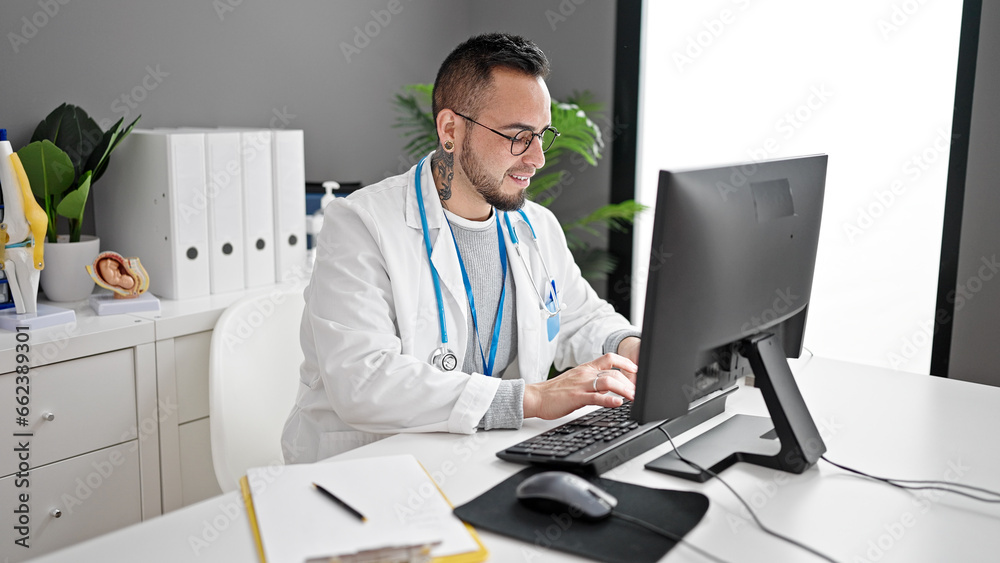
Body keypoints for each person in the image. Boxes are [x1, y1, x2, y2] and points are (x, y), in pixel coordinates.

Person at [282, 32, 641, 464]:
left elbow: (579, 318)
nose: (537, 159)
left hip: (479, 459)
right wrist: (533, 398)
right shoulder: (361, 224)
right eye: (517, 136)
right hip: (365, 473)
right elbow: (364, 382)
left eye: (541, 135)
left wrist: (632, 348)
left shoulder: (535, 227)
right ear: (450, 129)